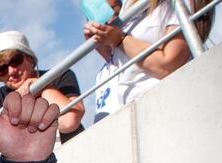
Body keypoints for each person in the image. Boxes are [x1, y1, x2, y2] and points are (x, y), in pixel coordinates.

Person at [84, 0, 215, 120]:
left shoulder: (177, 2)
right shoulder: (129, 7)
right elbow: (127, 61)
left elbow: (168, 65)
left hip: (169, 105)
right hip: (136, 111)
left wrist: (119, 39)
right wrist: (102, 42)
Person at [0, 30, 86, 143]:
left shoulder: (60, 75)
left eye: (15, 60)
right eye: (1, 69)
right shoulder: (1, 95)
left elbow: (69, 122)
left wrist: (42, 87)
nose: (11, 71)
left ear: (30, 59)